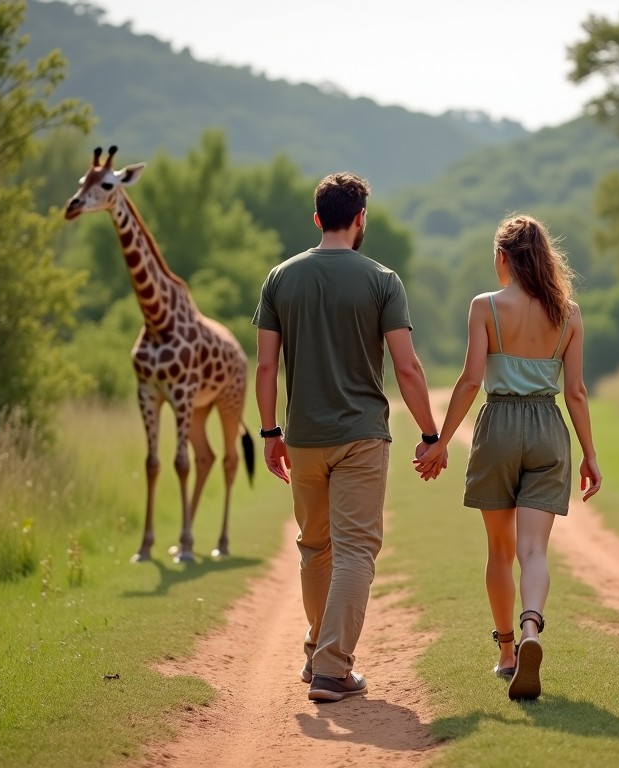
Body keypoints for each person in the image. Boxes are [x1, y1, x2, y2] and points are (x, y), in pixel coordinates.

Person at [253, 171, 445, 703]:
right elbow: (407, 369)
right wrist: (431, 434)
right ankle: (333, 670)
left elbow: (266, 367)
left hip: (304, 437)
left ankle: (318, 651)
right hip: (361, 436)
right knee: (356, 550)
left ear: (318, 218)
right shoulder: (383, 280)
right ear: (360, 218)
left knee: (315, 547)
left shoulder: (279, 279)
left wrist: (271, 431)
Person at [414, 213, 602, 701]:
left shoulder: (485, 307)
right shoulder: (570, 314)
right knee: (534, 550)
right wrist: (589, 455)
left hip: (497, 426)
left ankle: (506, 653)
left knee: (499, 551)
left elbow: (471, 381)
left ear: (502, 257)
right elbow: (576, 392)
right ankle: (532, 628)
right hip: (548, 429)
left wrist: (438, 442)